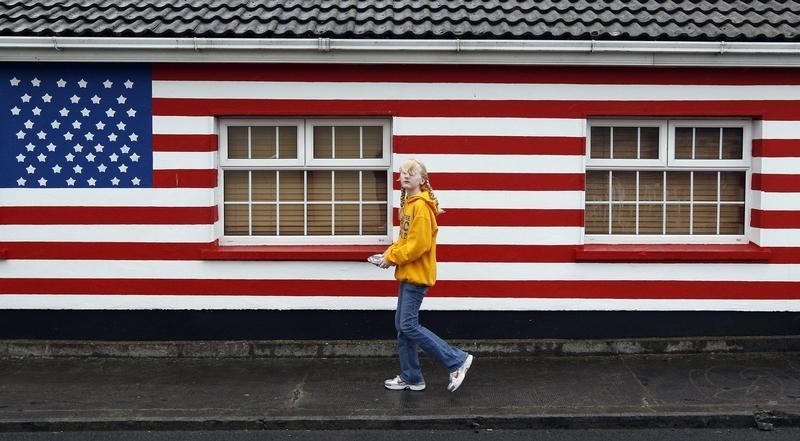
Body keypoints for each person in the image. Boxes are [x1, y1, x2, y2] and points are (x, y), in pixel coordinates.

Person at [376, 158, 473, 392]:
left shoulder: (420, 206)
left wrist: (393, 258)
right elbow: (404, 240)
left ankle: (457, 360)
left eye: (412, 173)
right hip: (408, 273)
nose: (406, 176)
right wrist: (388, 255)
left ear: (422, 179)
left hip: (417, 275)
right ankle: (412, 377)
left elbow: (419, 245)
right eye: (403, 173)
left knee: (408, 325)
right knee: (402, 326)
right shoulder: (409, 204)